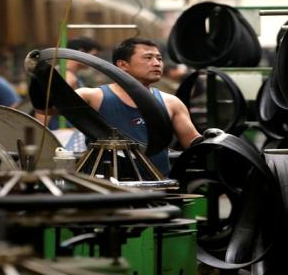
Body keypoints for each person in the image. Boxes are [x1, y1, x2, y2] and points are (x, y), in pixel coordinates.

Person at [75, 37, 202, 176]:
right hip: (105, 188)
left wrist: (214, 140)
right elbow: (49, 108)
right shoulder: (91, 97)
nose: (156, 63)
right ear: (123, 65)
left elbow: (193, 144)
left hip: (157, 184)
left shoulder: (171, 102)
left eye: (159, 59)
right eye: (148, 58)